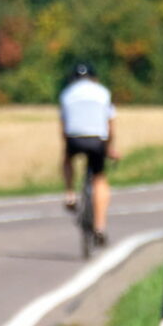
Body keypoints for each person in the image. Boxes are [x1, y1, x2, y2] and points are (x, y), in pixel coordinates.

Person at [60, 62, 119, 246]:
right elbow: (110, 126)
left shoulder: (67, 94)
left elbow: (63, 126)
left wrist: (67, 146)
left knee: (66, 159)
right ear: (94, 77)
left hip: (74, 138)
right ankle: (100, 226)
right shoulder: (103, 93)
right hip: (97, 140)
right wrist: (110, 148)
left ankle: (69, 193)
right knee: (99, 178)